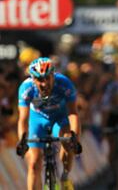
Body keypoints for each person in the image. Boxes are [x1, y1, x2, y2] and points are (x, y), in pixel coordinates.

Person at [16, 57, 81, 190]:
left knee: (68, 140)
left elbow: (73, 113)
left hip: (60, 117)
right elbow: (23, 118)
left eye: (47, 78)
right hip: (37, 120)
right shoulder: (26, 88)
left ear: (53, 75)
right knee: (34, 163)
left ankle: (65, 176)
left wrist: (75, 136)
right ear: (33, 79)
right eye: (40, 80)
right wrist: (22, 139)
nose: (44, 83)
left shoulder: (64, 83)